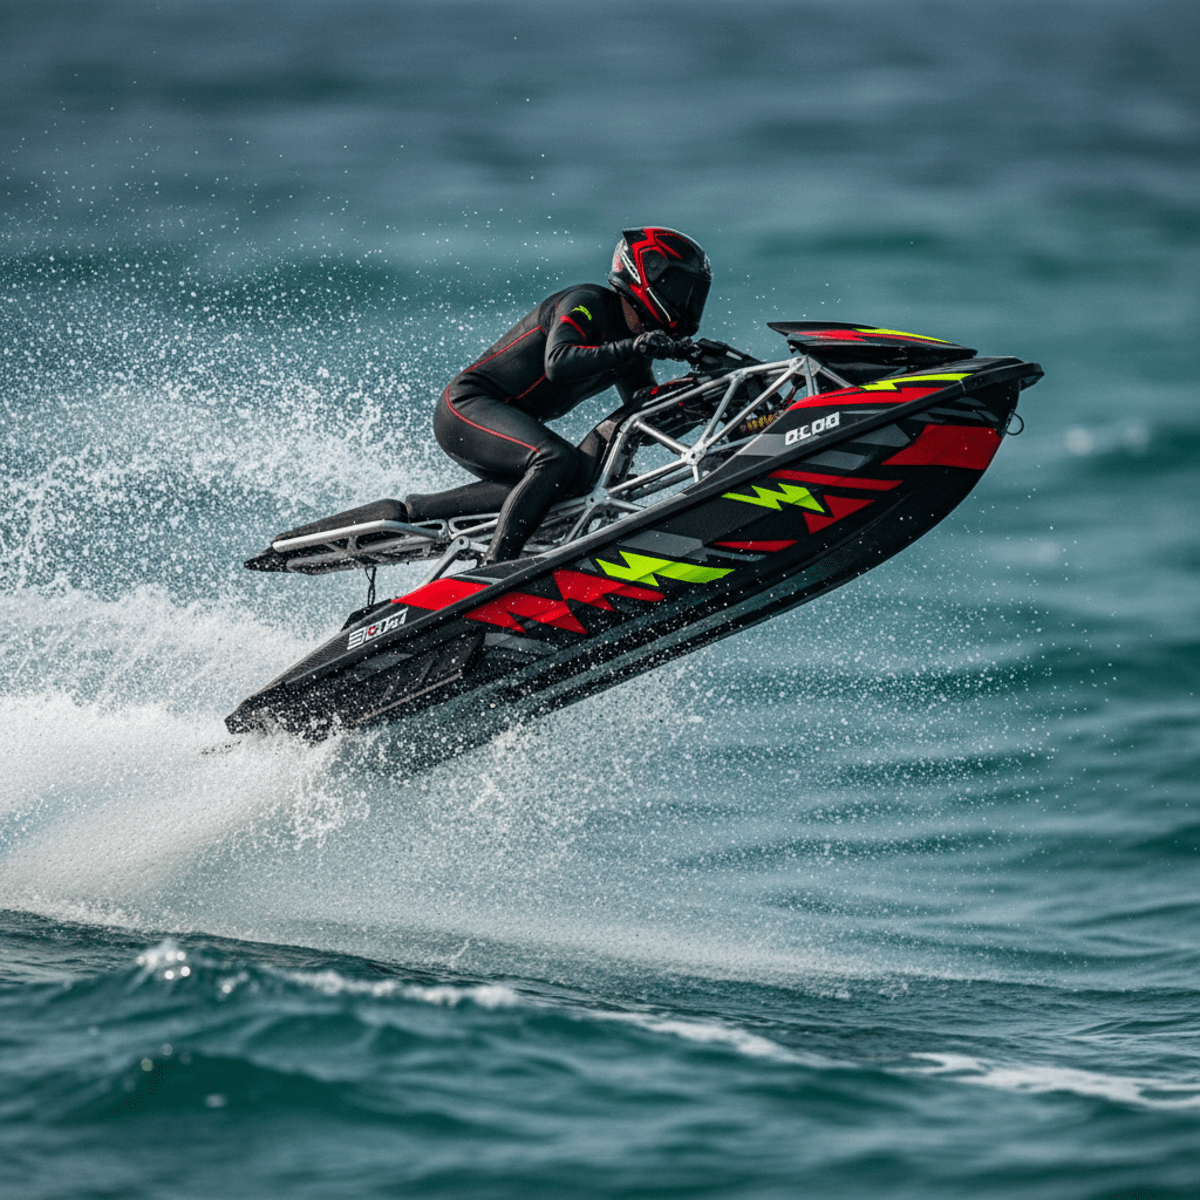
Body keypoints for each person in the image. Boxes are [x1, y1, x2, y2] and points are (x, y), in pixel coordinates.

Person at [404, 227, 712, 565]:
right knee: (556, 459)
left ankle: (417, 513)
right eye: (682, 290)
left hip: (506, 422)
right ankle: (496, 565)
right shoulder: (588, 303)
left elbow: (644, 416)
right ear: (645, 273)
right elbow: (558, 363)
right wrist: (632, 347)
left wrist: (701, 401)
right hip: (465, 407)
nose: (686, 303)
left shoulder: (634, 344)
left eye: (693, 295)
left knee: (580, 478)